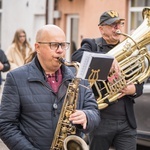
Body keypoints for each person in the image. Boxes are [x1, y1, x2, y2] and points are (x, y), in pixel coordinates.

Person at [0, 24, 100, 150]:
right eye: (53, 45)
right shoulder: (15, 78)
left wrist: (87, 116)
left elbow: (94, 112)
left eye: (63, 45)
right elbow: (5, 125)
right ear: (38, 47)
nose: (60, 50)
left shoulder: (78, 75)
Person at [72, 10, 144, 150]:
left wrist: (133, 89)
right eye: (112, 25)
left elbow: (140, 81)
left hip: (126, 121)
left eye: (119, 24)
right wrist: (106, 60)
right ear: (101, 29)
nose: (117, 28)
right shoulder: (92, 45)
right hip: (101, 120)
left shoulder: (128, 48)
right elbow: (76, 56)